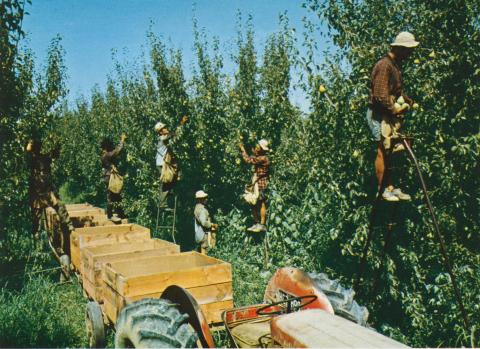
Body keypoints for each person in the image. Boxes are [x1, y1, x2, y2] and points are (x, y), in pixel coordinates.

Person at [366, 31, 419, 202]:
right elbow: (380, 95)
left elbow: (395, 92)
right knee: (382, 150)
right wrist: (395, 109)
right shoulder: (384, 65)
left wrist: (408, 101)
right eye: (408, 50)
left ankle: (391, 187)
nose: (410, 54)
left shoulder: (394, 66)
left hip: (388, 115)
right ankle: (383, 190)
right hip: (379, 114)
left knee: (393, 151)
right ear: (400, 48)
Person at [26, 138, 73, 256]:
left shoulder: (44, 157)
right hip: (37, 193)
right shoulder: (31, 159)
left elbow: (55, 154)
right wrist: (32, 141)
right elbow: (27, 150)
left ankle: (67, 226)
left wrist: (58, 141)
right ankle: (36, 245)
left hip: (47, 191)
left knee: (60, 206)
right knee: (36, 219)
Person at [155, 115, 188, 209]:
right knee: (166, 182)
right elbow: (173, 134)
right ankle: (162, 204)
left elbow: (175, 137)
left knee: (172, 179)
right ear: (160, 131)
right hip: (162, 164)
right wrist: (181, 124)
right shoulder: (162, 138)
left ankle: (169, 196)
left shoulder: (165, 138)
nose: (166, 129)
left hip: (165, 163)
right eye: (164, 128)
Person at [239, 139, 270, 232]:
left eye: (258, 147)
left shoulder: (263, 158)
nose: (256, 148)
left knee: (261, 203)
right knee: (252, 202)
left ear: (261, 149)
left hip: (261, 184)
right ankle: (257, 223)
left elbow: (249, 160)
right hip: (256, 183)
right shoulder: (260, 157)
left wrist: (243, 150)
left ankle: (262, 224)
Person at [101, 134, 126, 221]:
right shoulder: (106, 155)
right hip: (109, 177)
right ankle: (110, 215)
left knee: (116, 195)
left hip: (108, 176)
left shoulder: (105, 154)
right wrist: (122, 141)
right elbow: (117, 151)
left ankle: (120, 213)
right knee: (111, 196)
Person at [194, 190, 218, 254]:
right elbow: (204, 222)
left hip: (199, 232)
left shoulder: (197, 208)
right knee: (204, 249)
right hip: (203, 233)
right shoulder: (202, 210)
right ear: (199, 200)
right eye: (204, 198)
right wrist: (212, 224)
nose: (206, 199)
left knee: (202, 248)